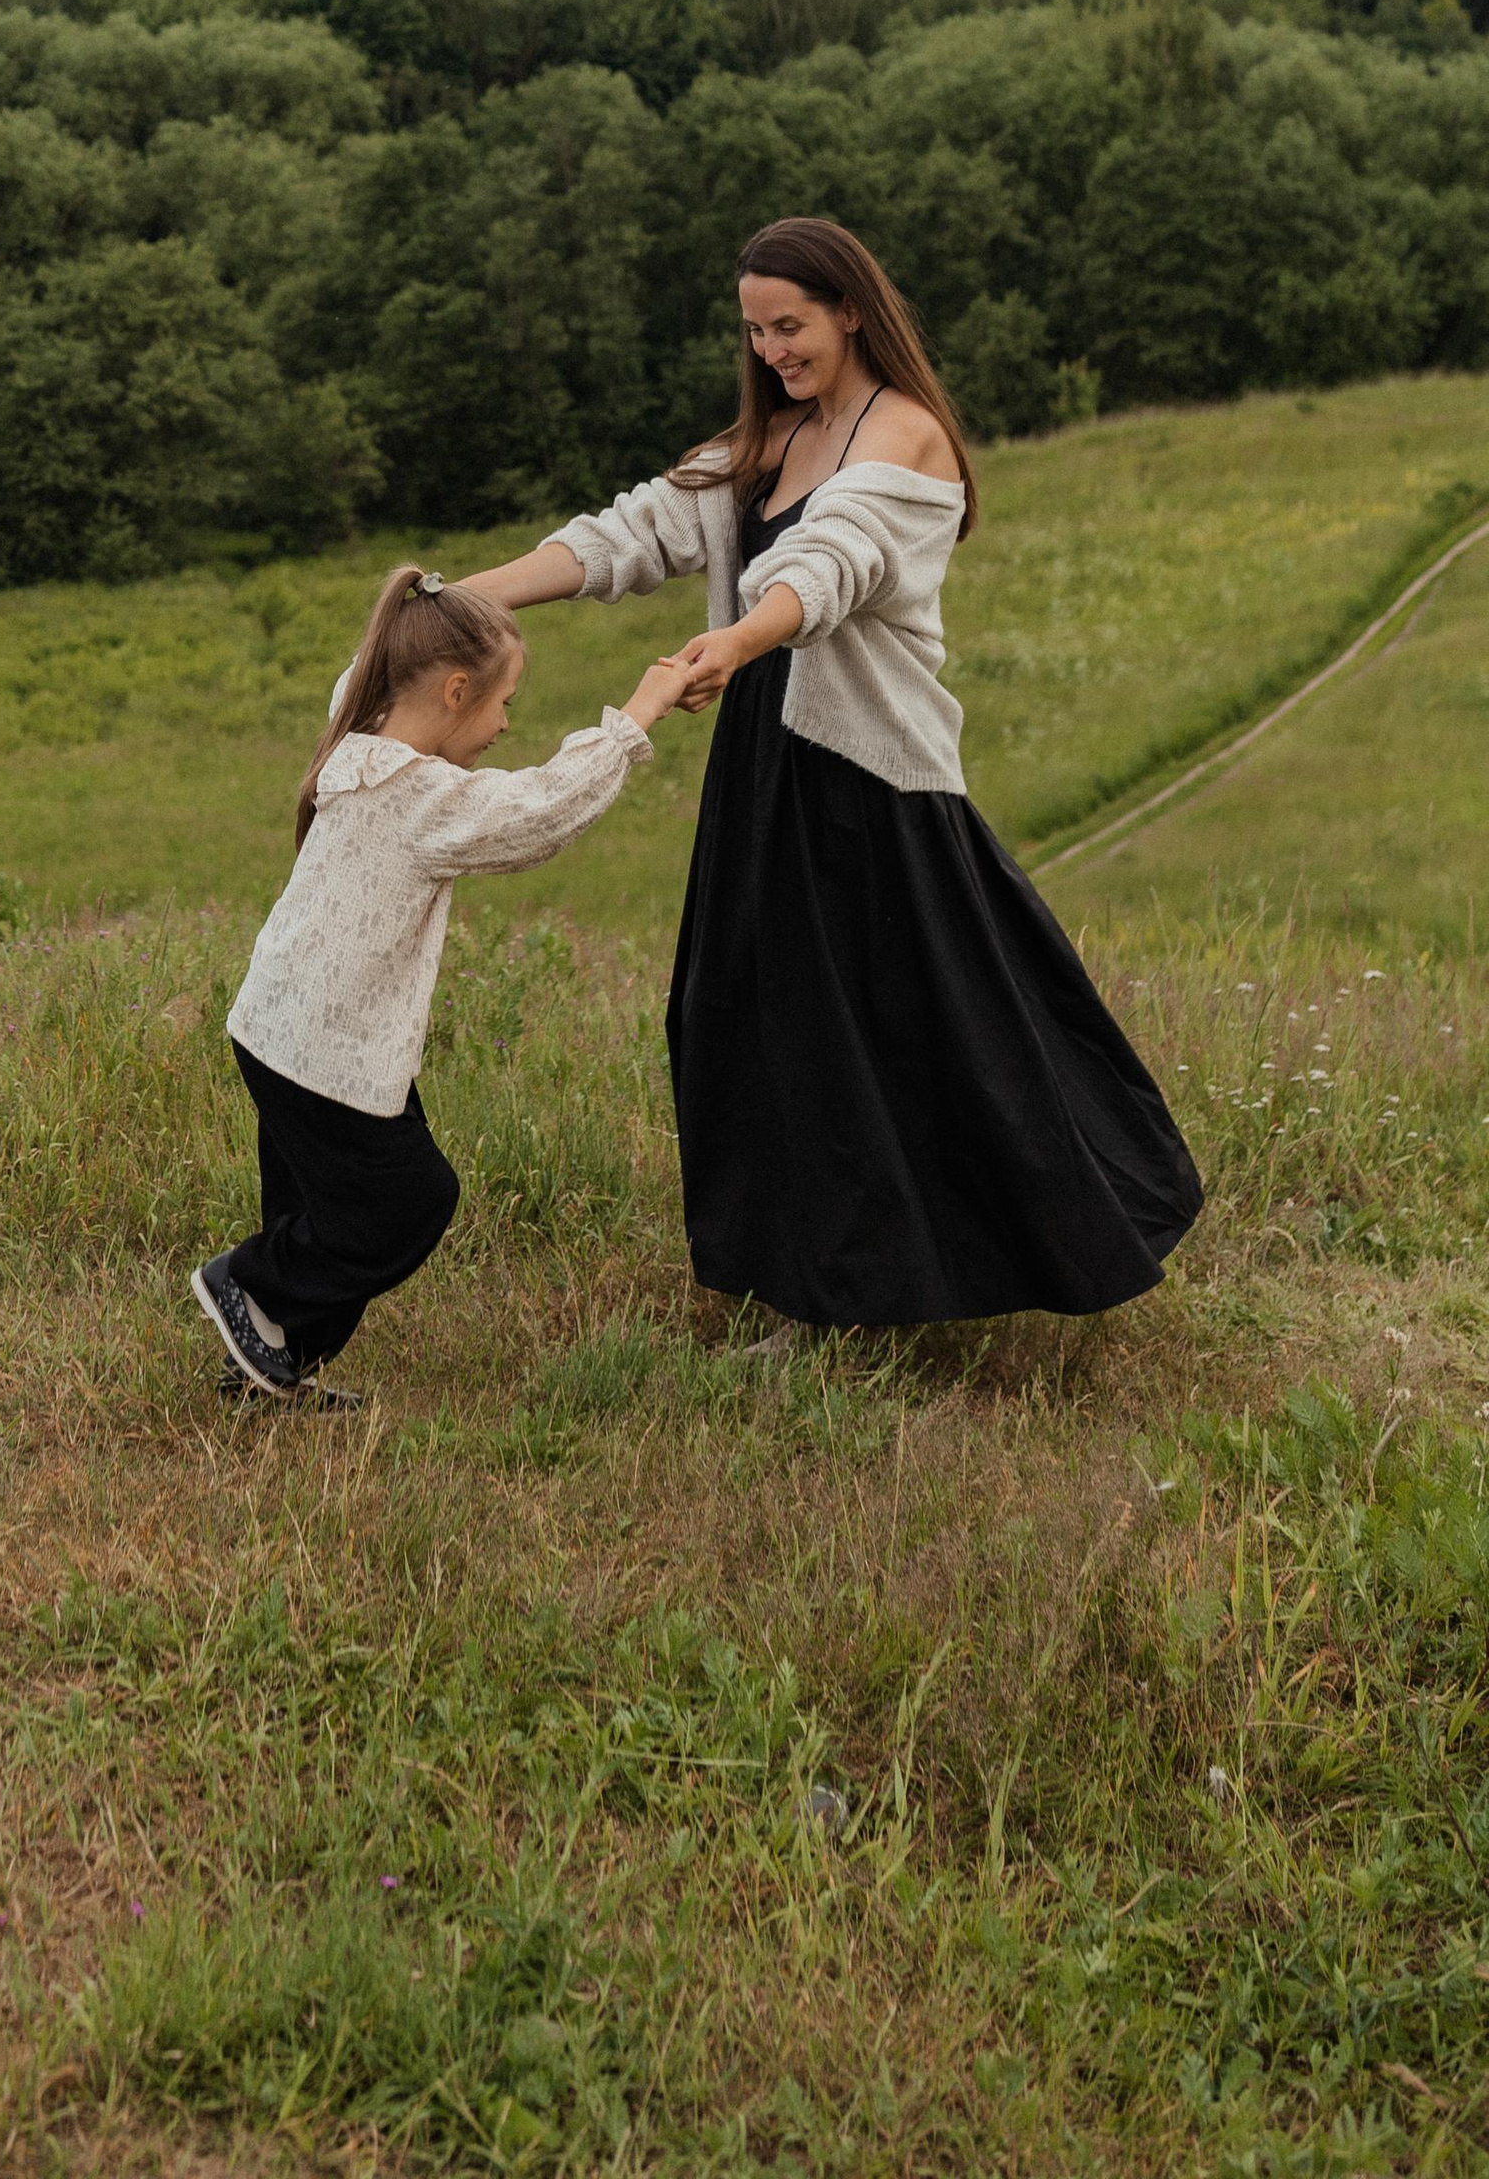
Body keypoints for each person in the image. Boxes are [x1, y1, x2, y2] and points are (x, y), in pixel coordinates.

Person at [462, 216, 1201, 1336]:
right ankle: (799, 1290)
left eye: (790, 327)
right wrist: (469, 598)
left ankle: (917, 1277)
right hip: (763, 770)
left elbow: (833, 563)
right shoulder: (766, 439)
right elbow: (626, 537)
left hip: (868, 784)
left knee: (905, 1041)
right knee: (740, 1023)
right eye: (755, 332)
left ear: (851, 309)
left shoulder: (903, 438)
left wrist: (741, 642)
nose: (772, 351)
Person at [194, 560, 693, 1403]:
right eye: (503, 704)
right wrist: (636, 717)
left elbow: (370, 666)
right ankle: (248, 1286)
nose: (505, 725)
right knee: (406, 1202)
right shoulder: (419, 797)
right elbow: (539, 813)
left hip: (285, 1030)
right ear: (456, 691)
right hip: (321, 1048)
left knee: (317, 1216)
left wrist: (436, 608)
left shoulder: (357, 730)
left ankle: (268, 1370)